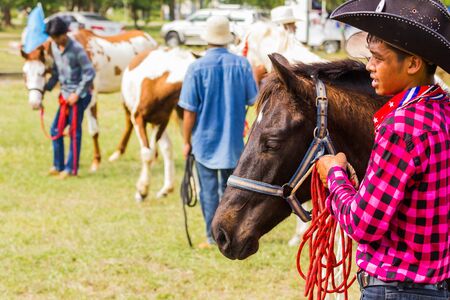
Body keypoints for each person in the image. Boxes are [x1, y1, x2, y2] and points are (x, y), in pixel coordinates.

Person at [316, 0, 449, 299]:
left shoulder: (401, 127)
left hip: (396, 289)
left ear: (413, 64)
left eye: (378, 58)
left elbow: (363, 225)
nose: (369, 67)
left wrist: (334, 175)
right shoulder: (444, 111)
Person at [178, 15, 258, 248]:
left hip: (204, 142)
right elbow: (252, 99)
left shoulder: (196, 67)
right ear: (226, 38)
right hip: (233, 141)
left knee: (208, 191)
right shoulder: (242, 64)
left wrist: (186, 141)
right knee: (232, 191)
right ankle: (233, 233)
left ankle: (212, 237)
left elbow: (189, 112)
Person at [44, 17, 95, 179]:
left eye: (56, 37)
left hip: (80, 96)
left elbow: (89, 73)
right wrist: (48, 87)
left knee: (74, 132)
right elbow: (57, 71)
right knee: (55, 130)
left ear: (64, 34)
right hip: (65, 96)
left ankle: (71, 169)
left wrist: (77, 94)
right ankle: (58, 165)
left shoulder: (77, 50)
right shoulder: (54, 47)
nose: (54, 40)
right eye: (52, 38)